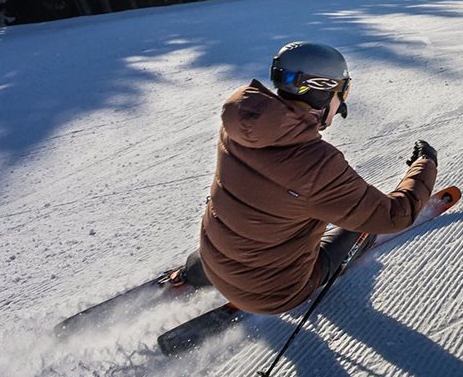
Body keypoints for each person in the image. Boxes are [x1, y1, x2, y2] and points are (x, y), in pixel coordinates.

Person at [172, 41, 438, 315]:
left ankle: (190, 273)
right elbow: (395, 216)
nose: (342, 103)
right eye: (341, 91)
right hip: (273, 293)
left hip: (212, 255)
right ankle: (260, 292)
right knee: (361, 225)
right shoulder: (317, 165)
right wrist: (425, 164)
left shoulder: (240, 125)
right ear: (323, 91)